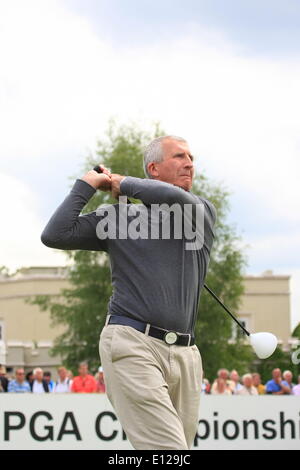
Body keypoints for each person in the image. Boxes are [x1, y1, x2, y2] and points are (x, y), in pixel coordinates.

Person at [41, 135, 216, 450]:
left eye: (192, 157)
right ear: (154, 168)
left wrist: (121, 182)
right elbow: (55, 234)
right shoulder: (119, 218)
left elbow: (175, 199)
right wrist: (86, 186)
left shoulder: (199, 211)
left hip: (186, 355)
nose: (190, 163)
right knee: (168, 450)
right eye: (179, 156)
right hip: (132, 342)